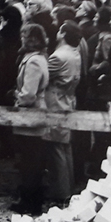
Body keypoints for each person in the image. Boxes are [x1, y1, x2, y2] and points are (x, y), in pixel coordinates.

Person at [9, 23, 50, 215]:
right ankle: (30, 200)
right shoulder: (39, 58)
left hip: (30, 114)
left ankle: (31, 203)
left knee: (30, 161)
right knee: (31, 160)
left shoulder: (33, 62)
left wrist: (15, 95)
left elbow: (28, 94)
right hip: (35, 113)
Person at [44, 21, 82, 205]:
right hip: (68, 100)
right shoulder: (75, 53)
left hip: (55, 103)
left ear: (63, 34)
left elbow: (44, 75)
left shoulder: (58, 56)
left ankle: (60, 191)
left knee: (56, 148)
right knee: (65, 147)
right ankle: (67, 187)